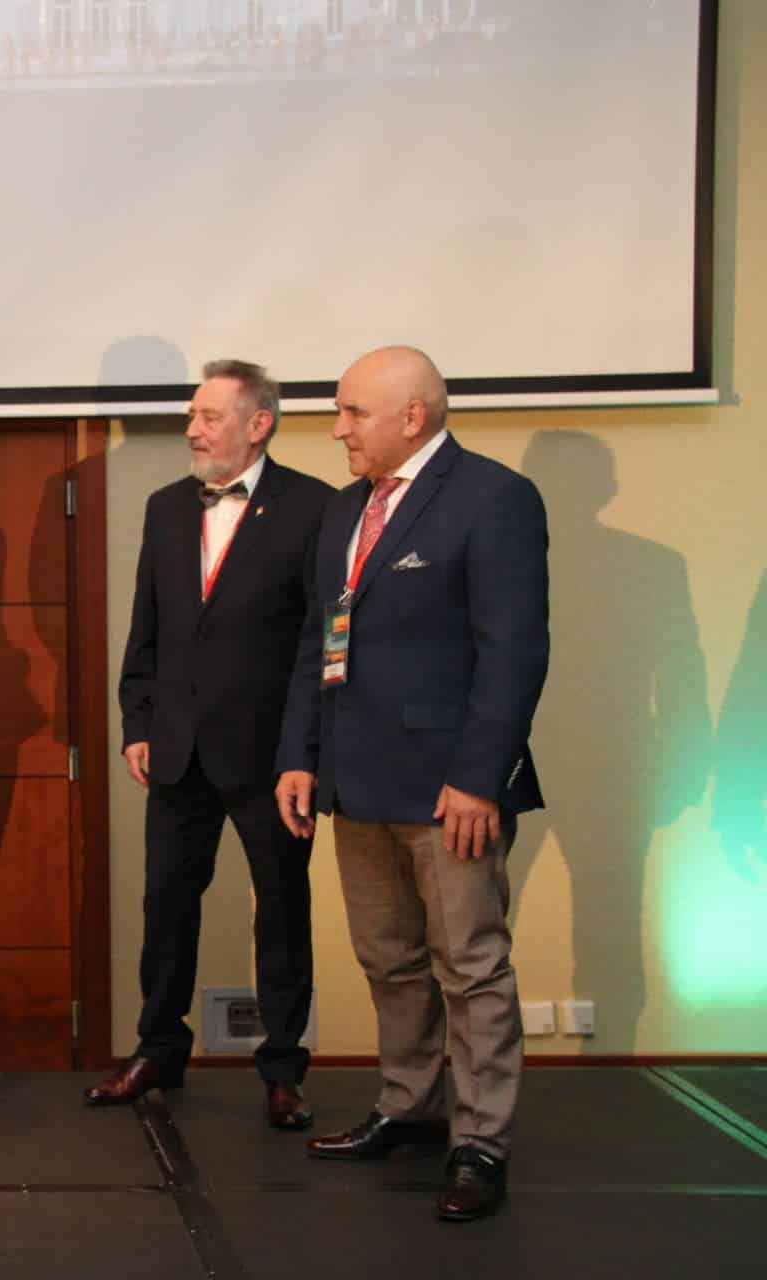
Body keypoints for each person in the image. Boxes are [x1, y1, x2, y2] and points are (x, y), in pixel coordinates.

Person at [275, 345, 548, 1222]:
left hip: (448, 790)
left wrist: (478, 779)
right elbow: (320, 637)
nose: (338, 429)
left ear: (413, 416)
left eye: (353, 412)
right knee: (389, 959)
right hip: (356, 780)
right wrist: (300, 754)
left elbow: (513, 654)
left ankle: (481, 1142)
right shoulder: (346, 508)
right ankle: (410, 1104)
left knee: (470, 966)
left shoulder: (494, 498)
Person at [83, 360, 331, 1128]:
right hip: (178, 748)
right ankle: (159, 1050)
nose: (192, 430)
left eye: (209, 417)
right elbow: (147, 627)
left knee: (282, 909)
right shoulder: (165, 508)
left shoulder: (316, 507)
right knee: (166, 904)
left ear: (259, 424)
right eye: (192, 415)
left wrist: (304, 751)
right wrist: (137, 722)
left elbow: (319, 644)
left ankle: (284, 1071)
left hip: (272, 758)